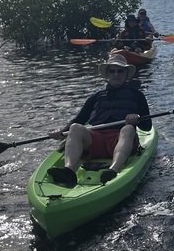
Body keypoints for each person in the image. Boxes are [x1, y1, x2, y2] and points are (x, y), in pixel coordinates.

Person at [47, 54, 152, 187]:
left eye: (120, 71)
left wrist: (137, 120)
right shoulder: (96, 97)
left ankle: (112, 170)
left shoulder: (137, 95)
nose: (116, 74)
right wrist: (61, 132)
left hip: (120, 138)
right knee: (75, 127)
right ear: (107, 74)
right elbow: (80, 119)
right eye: (112, 71)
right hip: (96, 138)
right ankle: (69, 170)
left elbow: (147, 126)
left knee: (128, 128)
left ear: (126, 74)